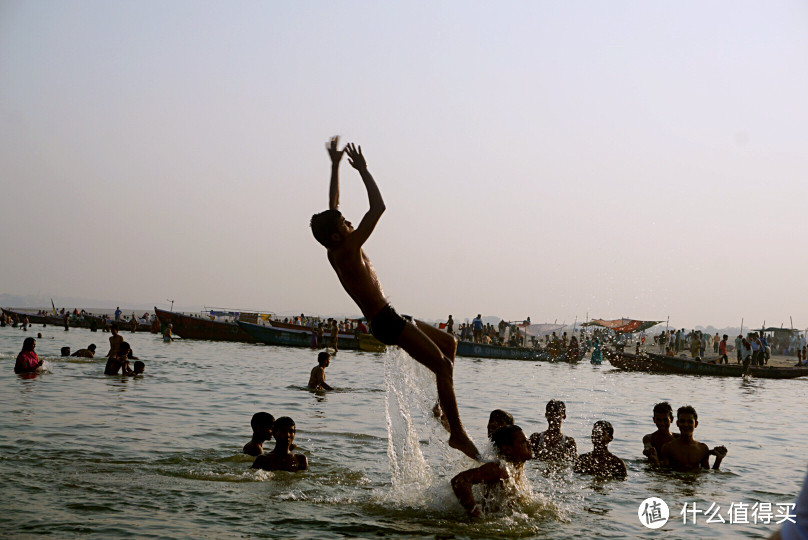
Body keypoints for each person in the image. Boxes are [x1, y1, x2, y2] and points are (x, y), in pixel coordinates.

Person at [310, 137, 478, 459]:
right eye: (345, 224)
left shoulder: (336, 247)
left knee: (449, 344)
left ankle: (440, 410)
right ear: (336, 234)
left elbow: (333, 208)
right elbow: (378, 208)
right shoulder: (346, 249)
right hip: (385, 321)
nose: (349, 222)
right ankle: (457, 434)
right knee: (442, 366)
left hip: (390, 316)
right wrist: (364, 170)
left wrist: (334, 166)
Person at [450, 425, 533, 518]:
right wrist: (474, 513)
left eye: (527, 440)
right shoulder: (499, 469)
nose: (529, 444)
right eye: (523, 442)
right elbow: (459, 480)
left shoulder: (515, 469)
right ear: (508, 449)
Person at [659, 405, 727, 472]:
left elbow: (707, 474)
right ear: (677, 423)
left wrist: (718, 460)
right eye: (682, 421)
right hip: (676, 481)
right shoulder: (668, 448)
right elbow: (665, 474)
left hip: (694, 482)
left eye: (690, 422)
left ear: (696, 424)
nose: (686, 425)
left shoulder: (703, 449)